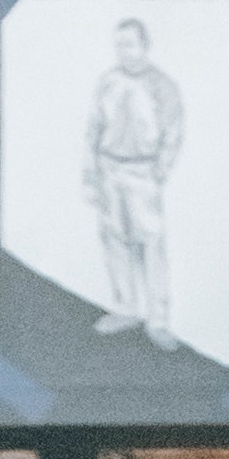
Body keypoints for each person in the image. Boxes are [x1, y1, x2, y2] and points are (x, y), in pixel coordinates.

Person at [84, 18, 184, 343]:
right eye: (118, 45)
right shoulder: (107, 81)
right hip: (109, 169)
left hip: (143, 173)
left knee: (151, 245)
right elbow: (93, 130)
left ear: (144, 45)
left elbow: (173, 132)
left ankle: (158, 321)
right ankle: (126, 309)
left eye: (128, 44)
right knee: (114, 239)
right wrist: (90, 175)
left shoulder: (163, 85)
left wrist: (160, 171)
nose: (122, 51)